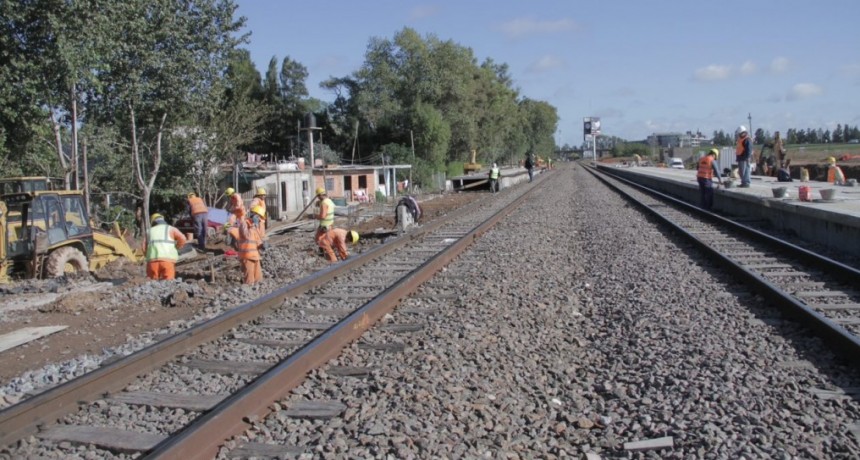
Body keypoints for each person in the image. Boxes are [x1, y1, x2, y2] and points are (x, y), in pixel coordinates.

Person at [145, 213, 187, 280]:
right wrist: (177, 247)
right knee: (168, 284)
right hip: (167, 261)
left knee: (151, 284)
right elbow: (183, 239)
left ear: (153, 222)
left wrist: (148, 255)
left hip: (152, 262)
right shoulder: (171, 229)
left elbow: (143, 247)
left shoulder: (149, 231)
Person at [233, 207, 263, 284]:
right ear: (253, 215)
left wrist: (262, 245)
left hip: (255, 256)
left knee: (258, 279)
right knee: (250, 280)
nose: (259, 219)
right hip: (247, 256)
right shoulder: (244, 224)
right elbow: (247, 237)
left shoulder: (254, 226)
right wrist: (252, 226)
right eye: (258, 216)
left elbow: (257, 240)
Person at [314, 187, 335, 258]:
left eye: (318, 196)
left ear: (320, 195)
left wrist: (315, 216)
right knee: (327, 239)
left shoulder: (324, 203)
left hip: (324, 225)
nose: (318, 198)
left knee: (318, 239)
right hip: (330, 223)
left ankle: (324, 254)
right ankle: (326, 252)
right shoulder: (329, 201)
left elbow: (322, 216)